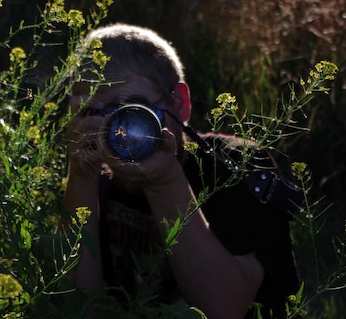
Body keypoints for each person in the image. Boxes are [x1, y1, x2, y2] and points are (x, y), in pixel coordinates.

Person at [61, 24, 300, 319]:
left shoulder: (235, 168)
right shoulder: (95, 176)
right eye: (94, 113)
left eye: (133, 110)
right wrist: (81, 174)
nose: (118, 130)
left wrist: (164, 182)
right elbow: (78, 307)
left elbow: (224, 310)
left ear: (179, 103)